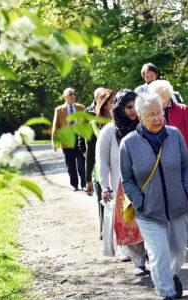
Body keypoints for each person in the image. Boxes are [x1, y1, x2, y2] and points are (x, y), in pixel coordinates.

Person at [120, 92, 188, 300]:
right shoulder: (129, 143)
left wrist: (186, 191)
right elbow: (127, 180)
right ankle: (166, 293)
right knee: (159, 253)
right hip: (149, 212)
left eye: (159, 113)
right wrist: (140, 202)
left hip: (178, 207)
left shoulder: (175, 135)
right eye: (150, 115)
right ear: (140, 117)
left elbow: (186, 166)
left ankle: (173, 274)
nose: (157, 119)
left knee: (178, 250)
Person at [97, 89, 148, 276]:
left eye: (135, 106)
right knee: (131, 224)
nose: (133, 111)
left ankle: (152, 255)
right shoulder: (109, 131)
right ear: (120, 108)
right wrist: (105, 186)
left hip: (147, 184)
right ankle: (139, 263)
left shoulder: (145, 126)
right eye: (128, 107)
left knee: (148, 222)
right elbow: (101, 160)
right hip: (122, 187)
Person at [148, 80, 188, 247]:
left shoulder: (184, 110)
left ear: (167, 97)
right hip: (167, 168)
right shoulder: (153, 116)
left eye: (158, 98)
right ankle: (183, 234)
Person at [51, 87, 86, 191]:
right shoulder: (59, 110)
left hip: (80, 138)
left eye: (73, 94)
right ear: (65, 97)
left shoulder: (81, 108)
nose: (73, 96)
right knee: (70, 164)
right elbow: (56, 126)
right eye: (70, 94)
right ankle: (74, 184)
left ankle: (84, 184)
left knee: (81, 162)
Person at [85, 87, 105, 239]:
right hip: (99, 172)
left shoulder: (120, 118)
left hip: (118, 171)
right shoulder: (89, 118)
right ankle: (104, 230)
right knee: (102, 202)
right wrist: (87, 179)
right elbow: (90, 151)